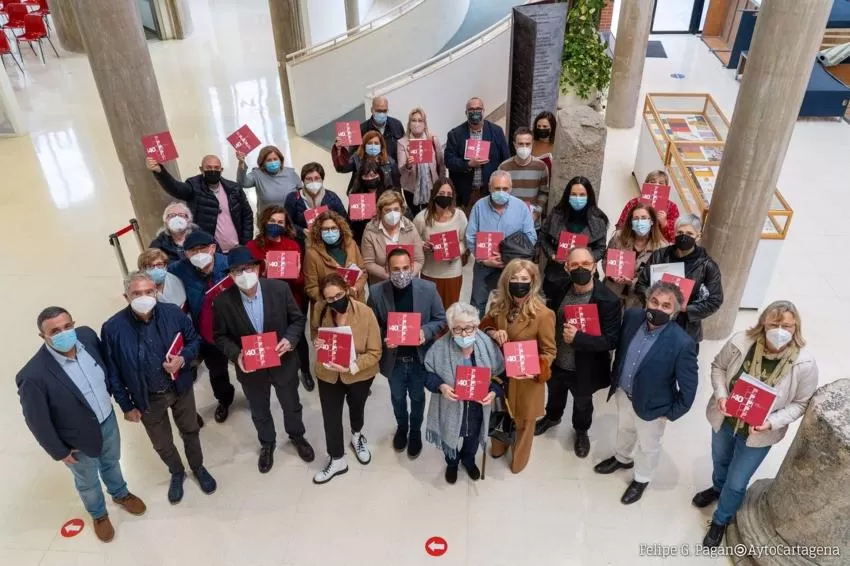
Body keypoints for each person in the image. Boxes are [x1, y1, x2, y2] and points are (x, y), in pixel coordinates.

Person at [692, 300, 818, 548]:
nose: (780, 331)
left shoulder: (804, 363)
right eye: (774, 324)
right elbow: (718, 367)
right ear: (763, 323)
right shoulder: (741, 342)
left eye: (787, 326)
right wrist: (721, 395)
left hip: (759, 433)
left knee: (738, 481)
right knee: (720, 460)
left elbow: (801, 403)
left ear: (796, 327)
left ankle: (721, 519)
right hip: (726, 419)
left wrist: (771, 422)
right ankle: (717, 488)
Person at [17, 307, 147, 543]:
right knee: (87, 481)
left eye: (67, 326)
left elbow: (108, 372)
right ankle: (98, 514)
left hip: (107, 420)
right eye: (55, 331)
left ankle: (120, 493)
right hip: (76, 439)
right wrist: (59, 451)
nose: (64, 333)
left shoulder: (87, 337)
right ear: (43, 336)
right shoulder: (33, 375)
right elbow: (37, 421)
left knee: (112, 462)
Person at [101, 272, 216, 504]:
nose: (144, 297)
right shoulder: (113, 328)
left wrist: (183, 358)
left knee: (190, 430)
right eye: (137, 293)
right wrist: (126, 406)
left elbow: (194, 340)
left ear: (156, 292)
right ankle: (177, 472)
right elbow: (113, 373)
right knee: (161, 442)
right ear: (126, 296)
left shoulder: (172, 313)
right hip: (147, 397)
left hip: (179, 387)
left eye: (148, 292)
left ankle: (198, 467)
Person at [594, 281, 698, 504]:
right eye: (654, 302)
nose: (658, 308)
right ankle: (622, 458)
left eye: (666, 306)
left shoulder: (683, 343)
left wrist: (671, 412)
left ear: (675, 311)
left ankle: (642, 478)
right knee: (624, 428)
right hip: (624, 392)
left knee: (648, 446)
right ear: (646, 302)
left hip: (653, 406)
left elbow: (689, 388)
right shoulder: (632, 317)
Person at [213, 247, 315, 473]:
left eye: (248, 268)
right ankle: (267, 443)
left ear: (258, 269)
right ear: (231, 276)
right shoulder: (222, 302)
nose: (244, 274)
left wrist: (289, 340)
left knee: (292, 405)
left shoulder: (279, 289)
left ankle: (297, 436)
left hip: (283, 363)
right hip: (251, 369)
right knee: (259, 411)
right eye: (237, 271)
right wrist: (237, 354)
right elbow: (220, 336)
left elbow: (297, 320)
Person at [535, 247, 621, 459]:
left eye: (585, 264)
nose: (580, 268)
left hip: (585, 366)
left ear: (594, 266)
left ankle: (581, 431)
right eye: (574, 265)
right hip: (557, 360)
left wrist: (579, 338)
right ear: (566, 267)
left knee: (583, 402)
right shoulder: (560, 288)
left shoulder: (608, 300)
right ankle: (552, 417)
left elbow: (611, 340)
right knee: (555, 392)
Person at [367, 248, 447, 457]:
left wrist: (425, 331)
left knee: (418, 397)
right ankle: (402, 427)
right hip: (394, 360)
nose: (401, 273)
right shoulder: (376, 293)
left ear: (412, 267)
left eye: (405, 268)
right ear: (387, 269)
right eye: (396, 269)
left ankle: (415, 431)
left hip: (419, 357)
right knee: (397, 397)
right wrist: (385, 338)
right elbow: (371, 326)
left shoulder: (428, 289)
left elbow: (440, 319)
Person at [480, 259, 556, 473]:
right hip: (501, 374)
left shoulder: (543, 314)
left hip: (526, 379)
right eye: (514, 278)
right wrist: (493, 332)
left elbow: (549, 351)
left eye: (524, 278)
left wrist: (535, 369)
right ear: (506, 281)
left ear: (533, 282)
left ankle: (519, 460)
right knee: (500, 412)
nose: (519, 283)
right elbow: (485, 324)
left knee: (524, 421)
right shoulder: (499, 306)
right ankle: (499, 446)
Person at [310, 273, 383, 484]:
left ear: (347, 290)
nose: (335, 301)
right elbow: (314, 331)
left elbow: (375, 352)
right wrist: (316, 341)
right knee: (330, 416)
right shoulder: (320, 309)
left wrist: (352, 366)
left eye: (339, 295)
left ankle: (357, 435)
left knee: (357, 408)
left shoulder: (365, 313)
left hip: (358, 374)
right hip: (328, 373)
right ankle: (337, 459)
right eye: (330, 298)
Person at [423, 302, 501, 484]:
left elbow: (501, 375)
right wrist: (441, 386)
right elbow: (426, 373)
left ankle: (468, 460)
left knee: (472, 437)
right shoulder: (439, 347)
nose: (464, 334)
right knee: (450, 435)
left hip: (477, 406)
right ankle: (452, 462)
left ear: (477, 326)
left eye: (469, 328)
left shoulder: (488, 345)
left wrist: (493, 392)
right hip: (450, 405)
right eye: (458, 329)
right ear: (451, 329)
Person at [245, 205, 315, 392]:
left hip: (291, 299)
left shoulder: (292, 245)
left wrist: (296, 273)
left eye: (280, 222)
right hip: (264, 301)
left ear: (286, 225)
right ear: (264, 222)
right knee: (269, 336)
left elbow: (301, 283)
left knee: (298, 338)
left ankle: (305, 371)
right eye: (272, 221)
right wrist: (264, 272)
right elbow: (247, 280)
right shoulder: (252, 247)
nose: (275, 225)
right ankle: (271, 372)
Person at [168, 231, 235, 422]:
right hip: (204, 333)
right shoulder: (180, 269)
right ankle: (222, 400)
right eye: (193, 251)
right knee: (215, 371)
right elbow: (161, 275)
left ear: (213, 248)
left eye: (203, 249)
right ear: (186, 254)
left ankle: (250, 397)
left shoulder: (228, 264)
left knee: (240, 368)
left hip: (230, 330)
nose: (198, 254)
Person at [635, 214, 723, 347]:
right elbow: (641, 284)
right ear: (674, 233)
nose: (684, 237)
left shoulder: (707, 266)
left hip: (685, 327)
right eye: (680, 232)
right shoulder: (659, 255)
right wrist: (654, 301)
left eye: (689, 233)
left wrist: (686, 309)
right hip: (654, 320)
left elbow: (715, 300)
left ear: (698, 236)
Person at [465, 170, 537, 318]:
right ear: (490, 188)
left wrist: (510, 257)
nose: (501, 192)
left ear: (511, 188)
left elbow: (531, 237)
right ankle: (477, 331)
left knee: (512, 304)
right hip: (484, 265)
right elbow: (470, 236)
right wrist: (483, 259)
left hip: (513, 268)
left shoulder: (521, 207)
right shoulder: (479, 206)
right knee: (477, 304)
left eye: (505, 189)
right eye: (497, 188)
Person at [146, 155, 253, 252]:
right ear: (201, 169)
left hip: (237, 248)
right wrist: (160, 172)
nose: (213, 170)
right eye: (209, 167)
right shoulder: (194, 186)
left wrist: (246, 242)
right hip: (210, 251)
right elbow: (176, 188)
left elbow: (247, 215)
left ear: (221, 170)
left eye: (216, 168)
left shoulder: (234, 188)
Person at [540, 176, 609, 309]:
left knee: (578, 314)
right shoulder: (556, 215)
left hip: (585, 277)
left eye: (582, 195)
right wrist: (552, 255)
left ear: (589, 196)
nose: (578, 198)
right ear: (568, 196)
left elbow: (601, 248)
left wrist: (586, 260)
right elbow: (543, 237)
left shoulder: (599, 219)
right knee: (551, 311)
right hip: (556, 275)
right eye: (574, 194)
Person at [444, 97, 511, 208]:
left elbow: (505, 159)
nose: (475, 112)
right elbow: (449, 161)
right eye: (471, 109)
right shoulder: (455, 134)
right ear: (466, 113)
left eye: (478, 109)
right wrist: (468, 164)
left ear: (483, 111)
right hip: (467, 193)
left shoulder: (496, 131)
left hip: (490, 191)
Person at [413, 178, 468, 309]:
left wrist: (455, 252)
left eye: (449, 194)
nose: (445, 197)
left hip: (453, 273)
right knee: (430, 309)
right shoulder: (421, 218)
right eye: (441, 193)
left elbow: (464, 242)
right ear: (434, 194)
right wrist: (423, 245)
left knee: (450, 310)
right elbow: (413, 240)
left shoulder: (460, 216)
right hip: (429, 273)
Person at [605, 202, 668, 309]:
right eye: (635, 218)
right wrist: (611, 274)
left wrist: (633, 282)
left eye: (644, 218)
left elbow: (657, 279)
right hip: (611, 292)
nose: (639, 222)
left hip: (637, 300)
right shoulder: (618, 237)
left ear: (652, 221)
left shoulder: (662, 247)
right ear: (631, 221)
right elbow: (606, 259)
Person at [361, 190, 425, 285]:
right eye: (387, 210)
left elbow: (419, 260)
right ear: (380, 212)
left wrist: (406, 277)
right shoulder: (370, 231)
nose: (392, 213)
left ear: (402, 210)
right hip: (382, 283)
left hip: (408, 282)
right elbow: (368, 263)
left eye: (396, 209)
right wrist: (392, 276)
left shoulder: (410, 228)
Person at [303, 210, 368, 303]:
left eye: (333, 228)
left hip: (356, 302)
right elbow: (311, 287)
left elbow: (363, 272)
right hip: (330, 305)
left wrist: (355, 288)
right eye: (325, 229)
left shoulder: (351, 245)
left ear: (340, 229)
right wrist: (331, 297)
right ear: (319, 231)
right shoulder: (312, 253)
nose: (330, 232)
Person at [397, 107, 445, 216]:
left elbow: (441, 163)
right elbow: (401, 169)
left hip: (432, 186)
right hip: (411, 188)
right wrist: (408, 165)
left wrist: (441, 182)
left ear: (424, 123)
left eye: (420, 120)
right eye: (414, 120)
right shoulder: (402, 142)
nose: (417, 124)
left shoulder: (432, 140)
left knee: (431, 214)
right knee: (416, 216)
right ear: (409, 123)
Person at [498, 126, 550, 225]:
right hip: (509, 221)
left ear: (532, 144)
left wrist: (536, 213)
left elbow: (544, 193)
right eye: (521, 144)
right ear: (514, 145)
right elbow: (500, 193)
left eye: (527, 144)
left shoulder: (541, 167)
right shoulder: (504, 167)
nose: (524, 147)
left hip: (532, 222)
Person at [284, 162, 348, 242]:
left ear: (322, 179)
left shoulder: (332, 197)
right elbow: (286, 222)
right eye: (309, 179)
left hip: (329, 240)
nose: (313, 182)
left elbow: (344, 219)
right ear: (303, 180)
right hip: (303, 241)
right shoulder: (293, 198)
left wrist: (333, 229)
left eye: (317, 178)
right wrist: (302, 231)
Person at [616, 170, 680, 243]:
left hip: (658, 245)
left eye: (661, 183)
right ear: (646, 184)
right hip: (632, 241)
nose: (656, 185)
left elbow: (674, 237)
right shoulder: (633, 203)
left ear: (666, 187)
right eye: (652, 182)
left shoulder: (672, 207)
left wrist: (664, 223)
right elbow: (621, 225)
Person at [333, 130, 401, 194]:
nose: (373, 146)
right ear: (364, 145)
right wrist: (339, 150)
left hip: (384, 198)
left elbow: (397, 185)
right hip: (362, 197)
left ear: (381, 146)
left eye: (376, 143)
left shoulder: (390, 162)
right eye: (370, 143)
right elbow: (342, 168)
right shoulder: (357, 159)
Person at [236, 145, 302, 210]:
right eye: (269, 160)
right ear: (263, 162)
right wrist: (241, 162)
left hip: (290, 215)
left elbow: (302, 193)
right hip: (267, 216)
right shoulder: (257, 174)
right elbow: (242, 183)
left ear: (280, 160)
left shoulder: (291, 173)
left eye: (275, 159)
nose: (273, 162)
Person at [348, 159, 388, 245]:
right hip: (364, 237)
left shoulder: (388, 193)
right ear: (361, 177)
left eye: (373, 175)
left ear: (380, 175)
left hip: (385, 235)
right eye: (366, 176)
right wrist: (357, 218)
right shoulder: (356, 196)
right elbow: (352, 225)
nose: (370, 179)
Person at [360, 95, 405, 164]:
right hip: (371, 169)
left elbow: (403, 149)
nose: (382, 114)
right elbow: (356, 157)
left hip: (393, 168)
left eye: (384, 111)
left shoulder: (396, 125)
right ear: (372, 110)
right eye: (379, 111)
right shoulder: (362, 129)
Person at [531, 110, 556, 177]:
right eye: (539, 126)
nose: (541, 129)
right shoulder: (530, 143)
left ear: (552, 127)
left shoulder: (556, 145)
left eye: (545, 126)